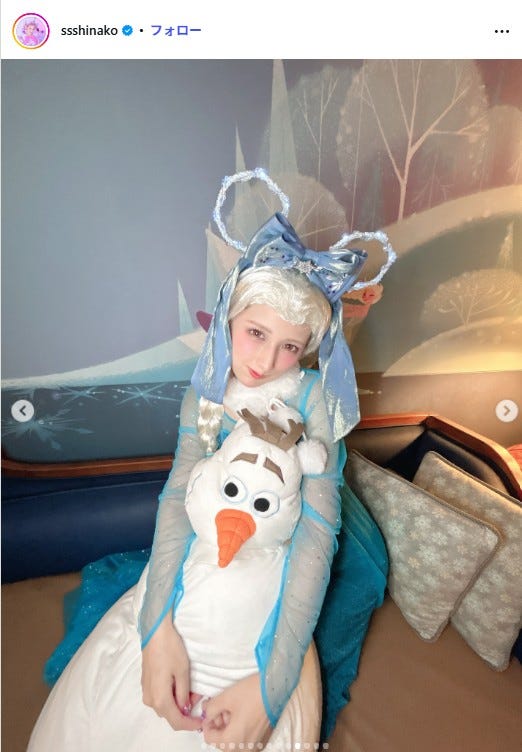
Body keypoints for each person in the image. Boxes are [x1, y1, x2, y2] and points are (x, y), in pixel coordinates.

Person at [29, 170, 395, 751]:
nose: (266, 361)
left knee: (325, 615)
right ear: (229, 317)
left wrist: (273, 687)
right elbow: (178, 496)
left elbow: (315, 533)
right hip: (223, 521)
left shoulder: (311, 402)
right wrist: (155, 628)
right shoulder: (204, 395)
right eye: (255, 333)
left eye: (290, 346)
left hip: (294, 528)